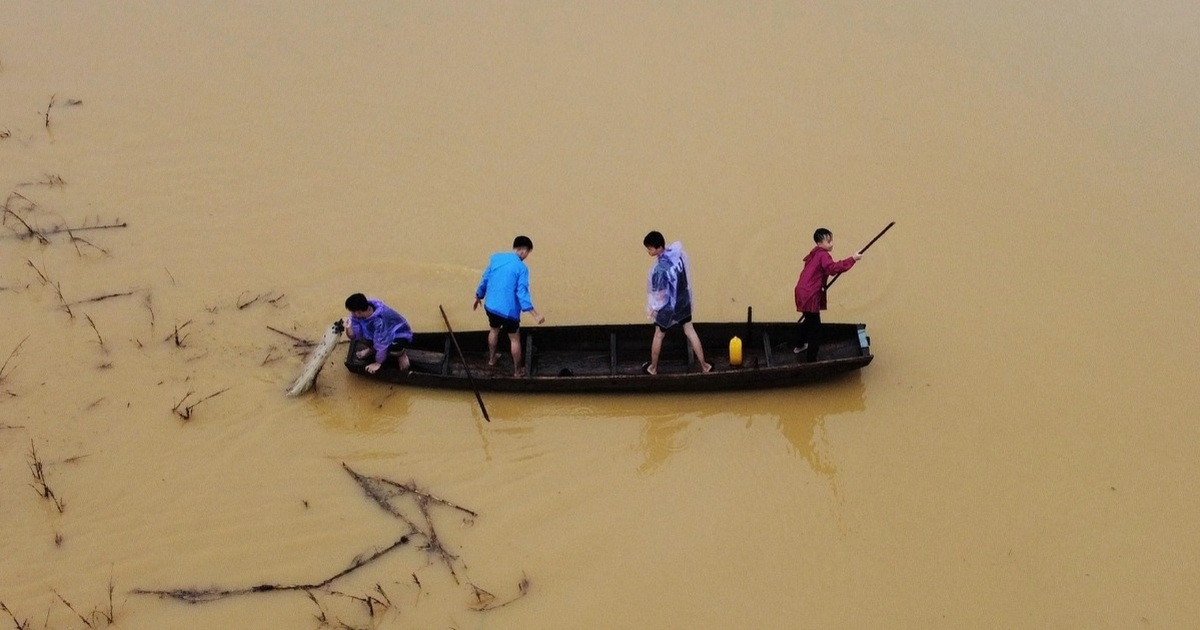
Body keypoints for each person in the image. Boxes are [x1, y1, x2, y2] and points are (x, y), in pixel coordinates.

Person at [642, 230, 712, 375]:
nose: (648, 251)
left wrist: (653, 309)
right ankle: (704, 366)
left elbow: (659, 295)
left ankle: (653, 368)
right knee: (690, 331)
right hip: (683, 301)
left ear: (657, 248)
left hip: (668, 308)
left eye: (649, 248)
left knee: (659, 335)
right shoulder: (677, 254)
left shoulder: (659, 270)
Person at [473, 235, 545, 376]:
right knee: (514, 339)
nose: (526, 256)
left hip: (491, 306)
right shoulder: (522, 268)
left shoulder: (496, 259)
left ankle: (492, 360)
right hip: (508, 312)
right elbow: (522, 292)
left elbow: (485, 278)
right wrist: (535, 315)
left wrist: (478, 296)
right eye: (528, 253)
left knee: (494, 330)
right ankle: (518, 371)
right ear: (524, 250)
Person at [793, 228, 862, 362]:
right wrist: (853, 259)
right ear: (819, 244)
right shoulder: (823, 255)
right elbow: (833, 269)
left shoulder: (815, 253)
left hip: (801, 291)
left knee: (808, 321)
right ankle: (811, 361)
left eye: (832, 240)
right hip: (810, 294)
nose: (832, 244)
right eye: (828, 241)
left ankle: (799, 346)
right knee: (815, 330)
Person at [343, 293, 413, 374]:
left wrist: (378, 363)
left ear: (358, 312)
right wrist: (348, 327)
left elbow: (382, 343)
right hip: (377, 333)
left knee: (394, 346)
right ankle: (372, 349)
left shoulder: (380, 320)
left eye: (352, 312)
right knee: (361, 338)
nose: (351, 314)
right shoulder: (357, 315)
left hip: (398, 334)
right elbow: (354, 336)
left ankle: (401, 354)